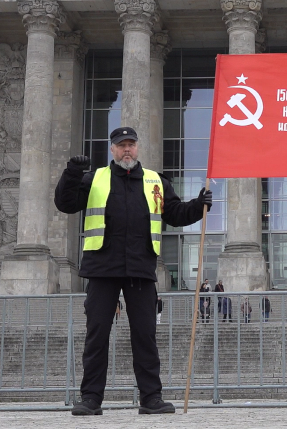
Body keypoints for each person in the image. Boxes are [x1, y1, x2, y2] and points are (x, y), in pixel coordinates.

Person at [55, 126, 212, 416]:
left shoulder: (155, 181)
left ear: (137, 148)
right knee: (97, 335)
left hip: (140, 269)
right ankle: (90, 398)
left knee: (145, 336)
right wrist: (72, 174)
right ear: (112, 150)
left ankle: (151, 398)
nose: (126, 150)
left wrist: (197, 206)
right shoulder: (94, 179)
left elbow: (174, 214)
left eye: (130, 144)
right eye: (121, 145)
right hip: (102, 269)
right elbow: (65, 204)